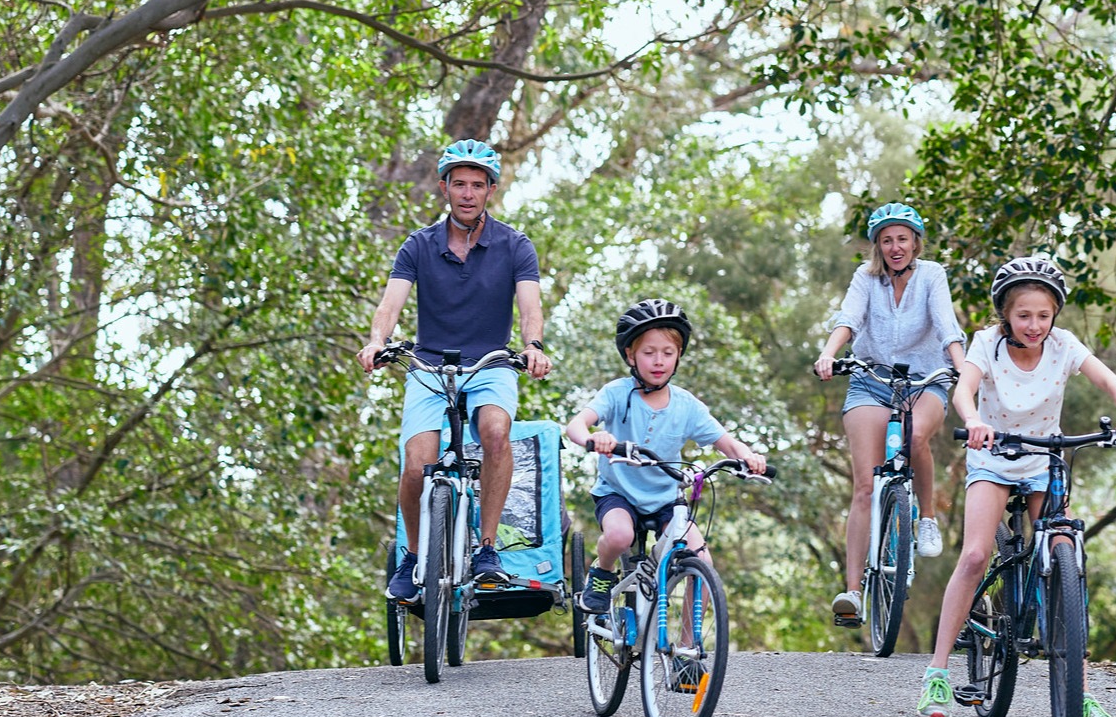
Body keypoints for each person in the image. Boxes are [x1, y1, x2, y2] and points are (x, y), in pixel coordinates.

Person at [916, 256, 1116, 717]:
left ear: (1055, 314)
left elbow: (1112, 381)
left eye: (1044, 315)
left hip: (1045, 458)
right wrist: (974, 421)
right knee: (977, 554)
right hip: (994, 457)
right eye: (1024, 315)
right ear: (1006, 314)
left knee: (1066, 558)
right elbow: (965, 390)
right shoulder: (987, 345)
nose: (1035, 325)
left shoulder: (1063, 346)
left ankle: (1079, 699)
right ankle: (936, 674)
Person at [358, 139, 554, 600]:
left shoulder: (515, 245)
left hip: (490, 362)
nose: (468, 193)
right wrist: (376, 342)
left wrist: (533, 347)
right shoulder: (418, 245)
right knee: (416, 464)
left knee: (495, 433)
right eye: (459, 184)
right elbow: (390, 303)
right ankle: (412, 555)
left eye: (478, 185)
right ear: (444, 187)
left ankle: (487, 549)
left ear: (490, 191)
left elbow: (530, 308)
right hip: (428, 364)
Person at [812, 203, 967, 624]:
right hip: (870, 380)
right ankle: (853, 592)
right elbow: (849, 319)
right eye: (887, 240)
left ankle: (927, 518)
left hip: (926, 379)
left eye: (902, 238)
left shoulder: (932, 275)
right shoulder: (865, 278)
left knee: (915, 436)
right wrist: (829, 354)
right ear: (878, 246)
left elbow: (947, 325)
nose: (895, 247)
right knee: (865, 485)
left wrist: (962, 366)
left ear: (915, 242)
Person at [564, 299, 769, 614]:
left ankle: (689, 648)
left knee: (701, 560)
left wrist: (749, 456)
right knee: (619, 536)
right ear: (631, 355)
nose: (658, 361)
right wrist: (594, 438)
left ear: (678, 356)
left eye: (668, 353)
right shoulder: (617, 393)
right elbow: (576, 425)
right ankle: (602, 572)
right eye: (648, 353)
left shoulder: (687, 406)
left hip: (666, 500)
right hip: (618, 493)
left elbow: (727, 443)